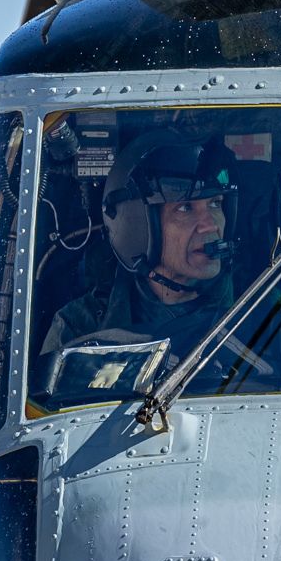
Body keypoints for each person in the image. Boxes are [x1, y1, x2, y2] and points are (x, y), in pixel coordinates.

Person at [35, 127, 254, 388]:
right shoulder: (80, 328)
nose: (210, 225)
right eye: (185, 208)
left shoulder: (259, 312)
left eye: (215, 204)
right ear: (136, 226)